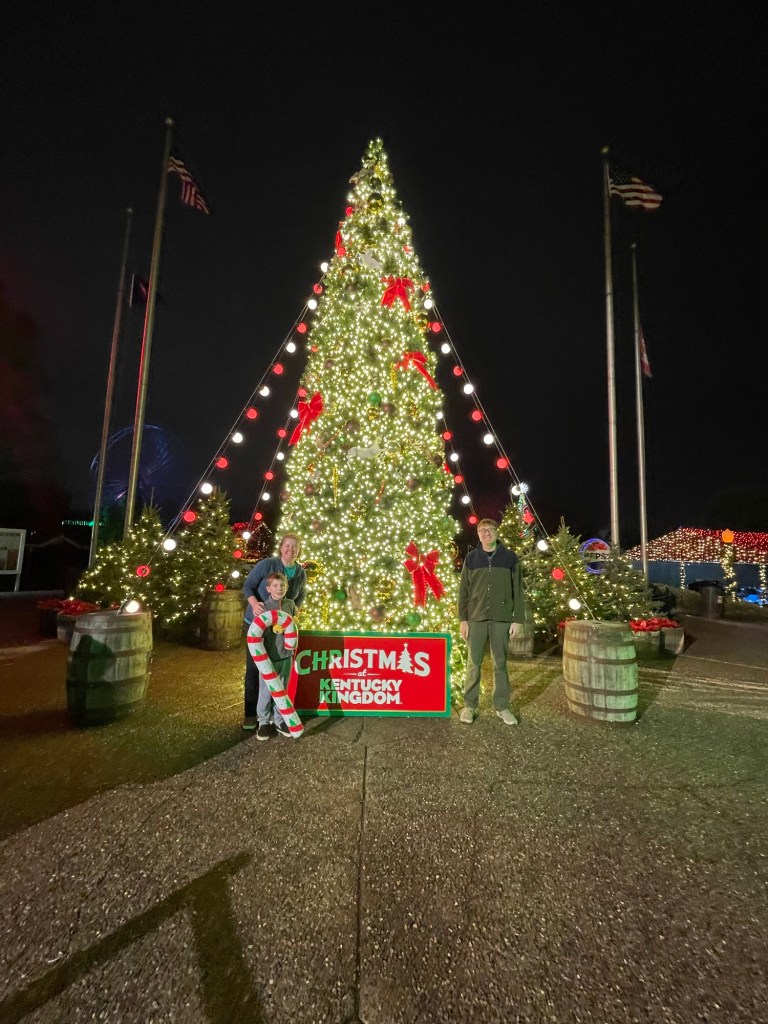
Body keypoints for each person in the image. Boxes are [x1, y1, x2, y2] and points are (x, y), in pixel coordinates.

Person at [458, 518, 525, 726]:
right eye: (482, 530)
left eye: (490, 529)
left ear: (497, 532)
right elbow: (463, 592)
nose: (486, 533)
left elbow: (518, 590)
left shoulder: (510, 558)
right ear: (478, 534)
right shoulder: (471, 558)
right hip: (476, 618)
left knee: (500, 663)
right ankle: (469, 705)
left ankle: (502, 706)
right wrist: (463, 619)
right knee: (473, 663)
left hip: (502, 618)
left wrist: (518, 619)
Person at [241, 533, 307, 732]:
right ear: (281, 548)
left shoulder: (300, 573)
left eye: (294, 547)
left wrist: (291, 614)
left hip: (280, 631)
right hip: (258, 628)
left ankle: (278, 718)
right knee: (255, 670)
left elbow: (299, 597)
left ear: (299, 550)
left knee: (280, 670)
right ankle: (252, 715)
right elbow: (248, 586)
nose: (290, 550)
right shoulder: (268, 564)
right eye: (287, 546)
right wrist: (254, 604)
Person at [250, 571, 298, 740]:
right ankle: (263, 722)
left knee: (282, 689)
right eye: (275, 586)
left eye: (282, 585)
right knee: (266, 691)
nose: (279, 589)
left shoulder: (290, 605)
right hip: (268, 658)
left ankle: (279, 720)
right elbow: (257, 633)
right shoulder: (264, 607)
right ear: (268, 588)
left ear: (287, 587)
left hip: (286, 656)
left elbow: (294, 624)